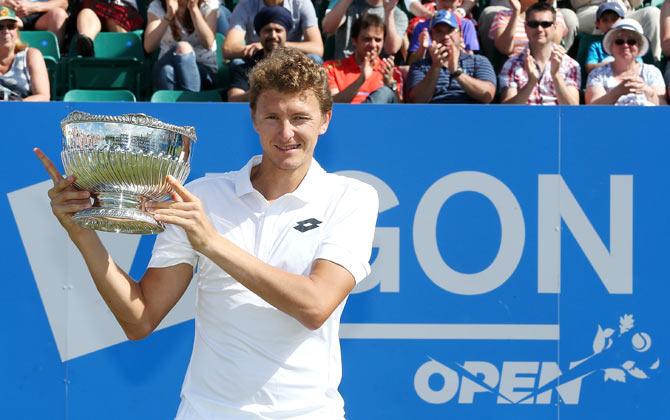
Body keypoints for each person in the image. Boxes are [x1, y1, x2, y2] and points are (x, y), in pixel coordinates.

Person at [34, 47, 378, 419]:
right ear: (253, 119)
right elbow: (139, 319)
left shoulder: (352, 197)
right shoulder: (203, 196)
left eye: (300, 118)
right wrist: (82, 233)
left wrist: (212, 243)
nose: (285, 132)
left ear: (325, 119)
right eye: (272, 117)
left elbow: (314, 307)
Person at [406, 9, 496, 104]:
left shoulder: (478, 61)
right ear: (431, 36)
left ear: (460, 34)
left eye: (450, 31)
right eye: (439, 31)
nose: (446, 36)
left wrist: (456, 71)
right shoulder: (420, 66)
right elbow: (416, 101)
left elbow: (487, 96)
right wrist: (435, 67)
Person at [499, 1, 580, 105]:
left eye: (546, 24)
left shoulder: (570, 65)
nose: (539, 29)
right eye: (533, 24)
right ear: (525, 27)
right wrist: (531, 82)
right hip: (523, 120)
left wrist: (556, 76)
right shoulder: (511, 65)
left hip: (556, 120)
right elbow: (507, 112)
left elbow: (573, 112)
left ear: (554, 27)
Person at [324, 13, 403, 103]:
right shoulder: (332, 69)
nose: (373, 45)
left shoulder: (391, 72)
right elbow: (332, 106)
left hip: (378, 117)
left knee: (385, 92)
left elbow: (402, 112)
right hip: (345, 116)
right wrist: (361, 79)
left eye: (378, 40)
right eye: (367, 39)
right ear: (354, 41)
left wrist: (390, 84)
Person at [585, 18, 666, 105]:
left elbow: (664, 109)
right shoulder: (597, 74)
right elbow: (592, 110)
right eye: (619, 41)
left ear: (639, 47)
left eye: (631, 41)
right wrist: (618, 91)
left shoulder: (652, 72)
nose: (625, 45)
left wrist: (648, 91)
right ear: (611, 46)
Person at [144, 0, 219, 92]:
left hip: (203, 69)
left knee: (168, 70)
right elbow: (149, 47)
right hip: (168, 60)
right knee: (182, 48)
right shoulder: (157, 6)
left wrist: (194, 9)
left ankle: (183, 103)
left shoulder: (208, 4)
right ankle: (191, 101)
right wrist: (168, 16)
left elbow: (209, 43)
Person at [223, 0, 323, 61]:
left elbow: (317, 48)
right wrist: (261, 49)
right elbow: (229, 48)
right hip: (258, 61)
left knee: (314, 59)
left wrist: (277, 45)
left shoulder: (301, 3)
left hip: (293, 59)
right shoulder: (246, 5)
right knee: (238, 64)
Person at [227, 5, 290, 101]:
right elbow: (233, 98)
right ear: (259, 34)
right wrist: (259, 93)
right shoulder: (245, 69)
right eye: (267, 30)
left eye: (278, 30)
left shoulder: (297, 65)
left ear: (286, 34)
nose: (273, 35)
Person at [571, 0, 660, 60]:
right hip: (591, 10)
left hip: (624, 11)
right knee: (606, 18)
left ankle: (652, 63)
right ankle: (598, 65)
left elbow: (636, 2)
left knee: (652, 13)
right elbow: (575, 2)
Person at [321, 0, 407, 60]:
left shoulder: (397, 15)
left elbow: (392, 49)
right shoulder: (350, 5)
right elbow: (327, 28)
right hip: (344, 69)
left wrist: (389, 13)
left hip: (377, 73)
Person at [0, 6, 49, 101]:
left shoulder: (31, 55)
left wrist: (14, 106)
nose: (6, 31)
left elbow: (43, 96)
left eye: (11, 26)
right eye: (0, 27)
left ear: (16, 31)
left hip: (24, 112)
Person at [407, 0, 479, 65]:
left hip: (459, 68)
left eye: (451, 0)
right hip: (427, 70)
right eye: (442, 0)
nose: (446, 3)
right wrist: (422, 49)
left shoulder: (466, 24)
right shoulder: (422, 26)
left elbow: (472, 59)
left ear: (459, 2)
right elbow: (411, 64)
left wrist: (460, 51)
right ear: (436, 1)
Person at [489, 0, 569, 58]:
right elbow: (504, 49)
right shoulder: (503, 15)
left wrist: (547, 9)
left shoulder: (555, 14)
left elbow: (554, 43)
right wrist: (515, 13)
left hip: (547, 64)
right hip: (516, 65)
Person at [72, 0, 145, 57]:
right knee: (86, 13)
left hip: (120, 9)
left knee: (113, 20)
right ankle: (86, 43)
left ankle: (122, 52)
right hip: (94, 6)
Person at [585, 2, 628, 75]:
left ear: (623, 21)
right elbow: (589, 68)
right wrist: (611, 64)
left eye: (614, 19)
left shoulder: (629, 43)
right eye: (605, 20)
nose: (610, 24)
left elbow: (637, 64)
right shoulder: (596, 46)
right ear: (597, 24)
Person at [3, 0, 68, 46]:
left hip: (41, 14)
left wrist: (33, 7)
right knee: (6, 21)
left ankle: (51, 59)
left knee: (59, 14)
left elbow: (63, 3)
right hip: (9, 13)